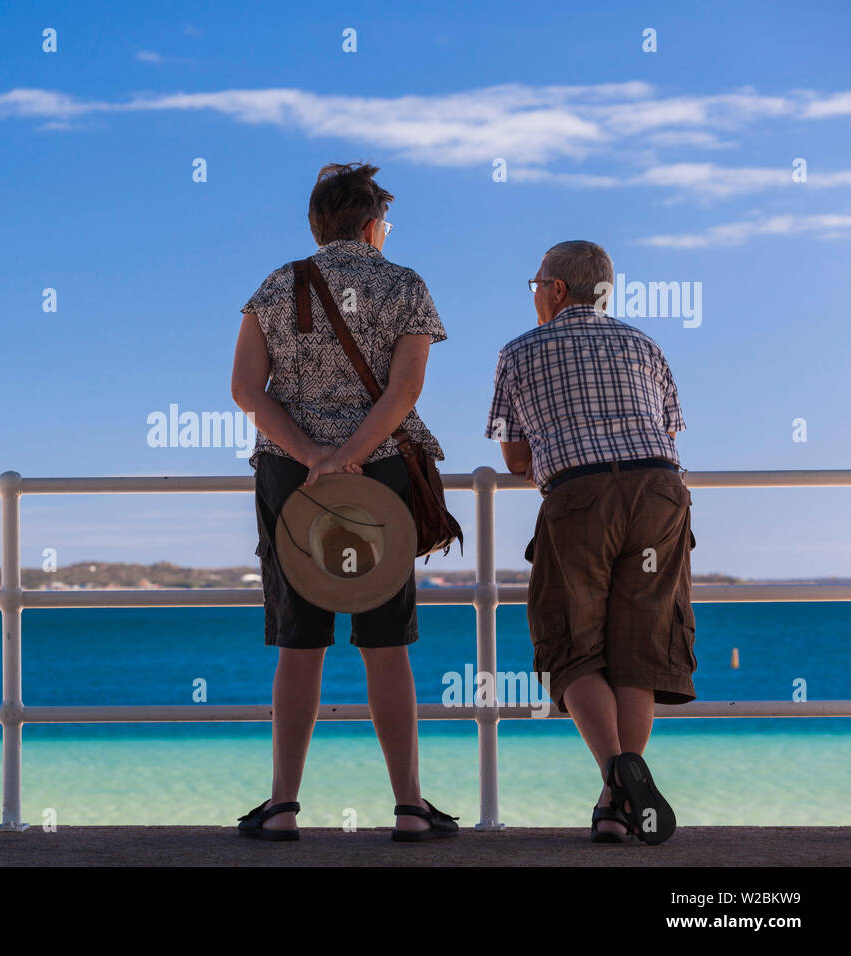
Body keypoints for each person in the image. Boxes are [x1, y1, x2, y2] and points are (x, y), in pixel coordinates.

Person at [230, 162, 457, 842]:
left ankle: (282, 807)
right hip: (378, 476)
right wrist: (351, 455)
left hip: (291, 480)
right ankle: (410, 807)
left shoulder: (276, 284)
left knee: (299, 645)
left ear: (318, 223)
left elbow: (246, 390)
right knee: (386, 645)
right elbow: (404, 391)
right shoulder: (404, 284)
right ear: (371, 222)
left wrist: (312, 456)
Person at [485, 240, 694, 844]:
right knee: (639, 649)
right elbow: (668, 429)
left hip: (580, 497)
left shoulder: (519, 351)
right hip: (659, 492)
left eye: (534, 283)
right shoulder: (645, 345)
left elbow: (516, 453)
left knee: (569, 645)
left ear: (555, 290)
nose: (532, 294)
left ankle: (614, 772)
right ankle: (615, 805)